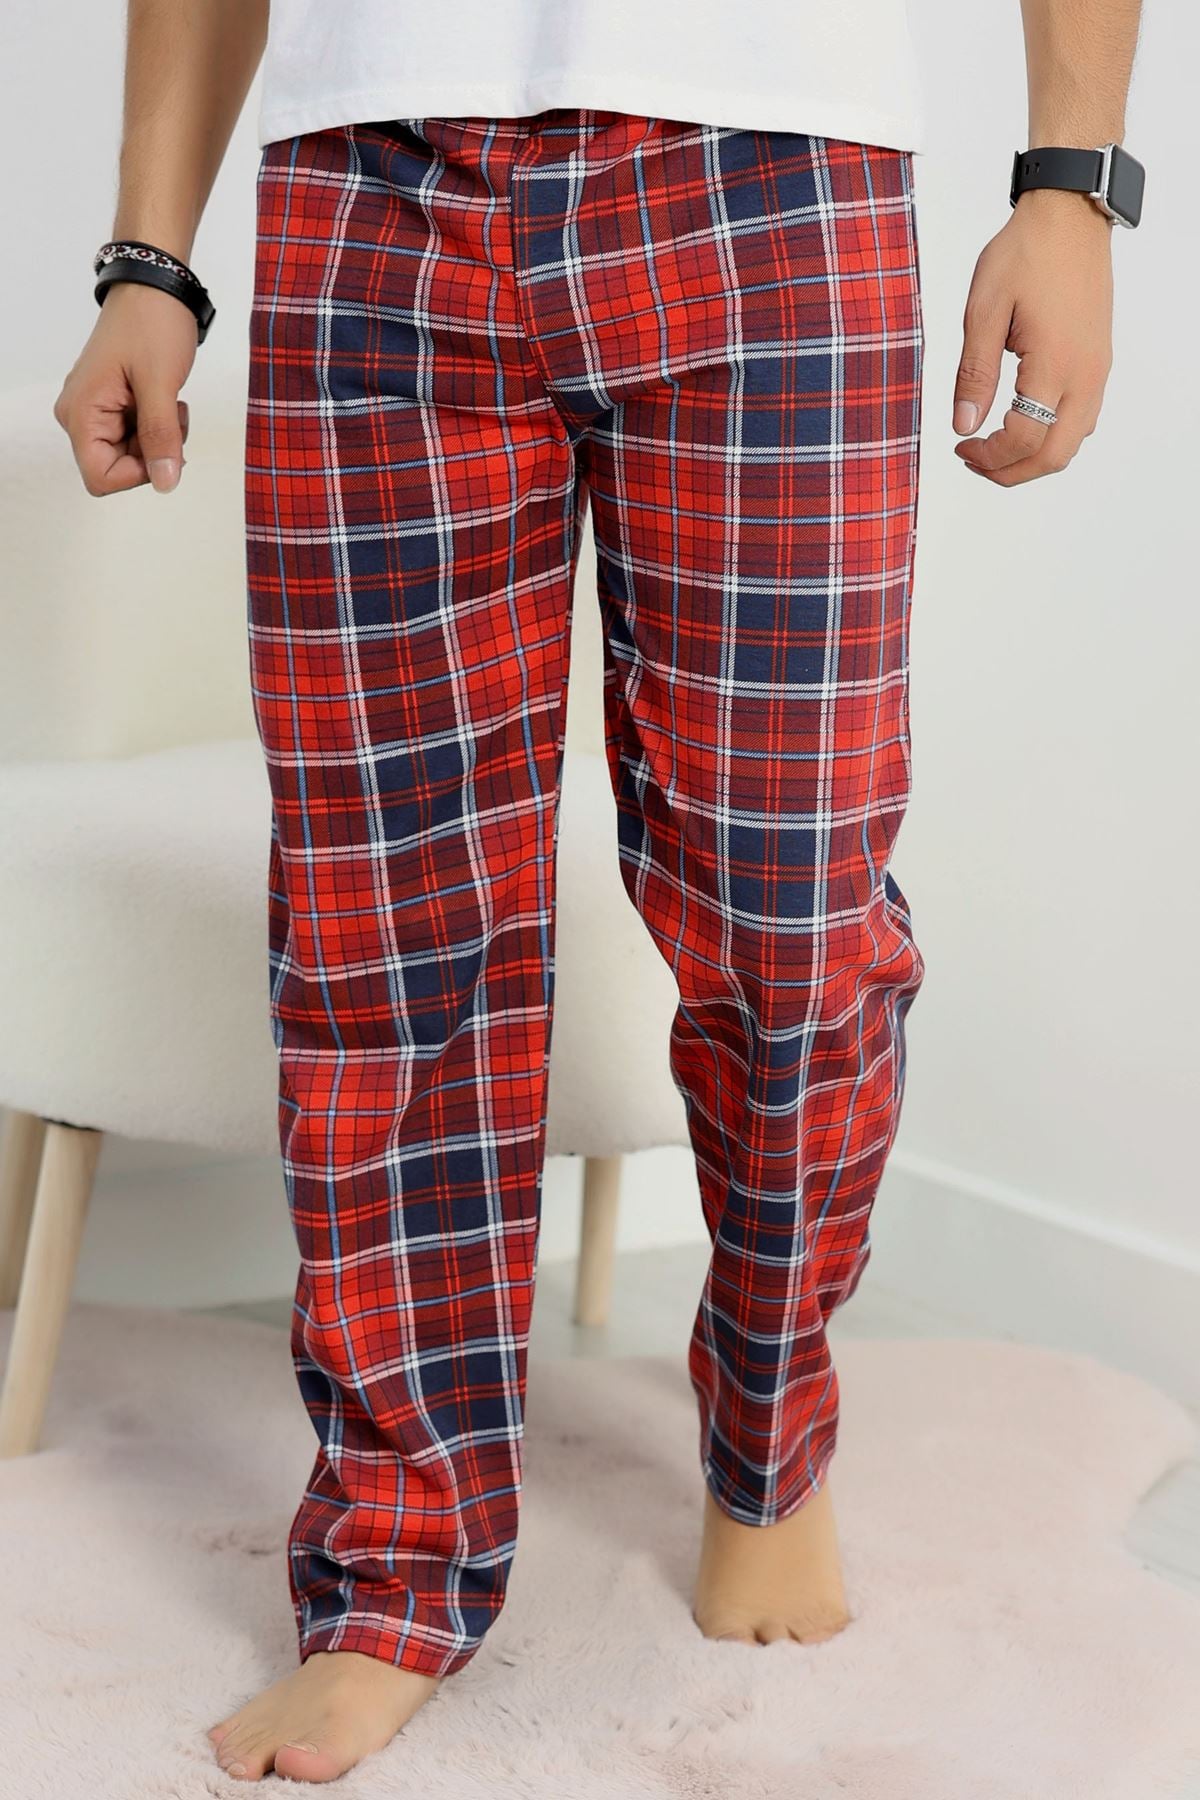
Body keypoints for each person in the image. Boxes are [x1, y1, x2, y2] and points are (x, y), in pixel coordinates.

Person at [53, 0, 1144, 1784]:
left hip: (774, 173)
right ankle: (397, 1562)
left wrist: (1071, 185)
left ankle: (771, 1433)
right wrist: (148, 257)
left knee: (792, 907)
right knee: (383, 924)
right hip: (366, 181)